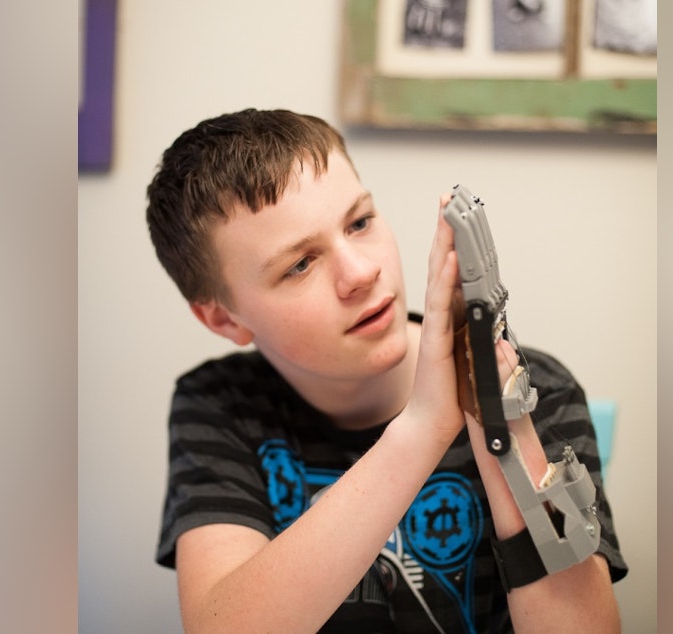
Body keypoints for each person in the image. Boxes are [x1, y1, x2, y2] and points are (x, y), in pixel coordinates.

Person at [146, 108, 627, 633]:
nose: (361, 272)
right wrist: (422, 429)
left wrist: (496, 413)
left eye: (359, 222)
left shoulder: (539, 387)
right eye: (299, 264)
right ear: (223, 318)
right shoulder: (220, 405)